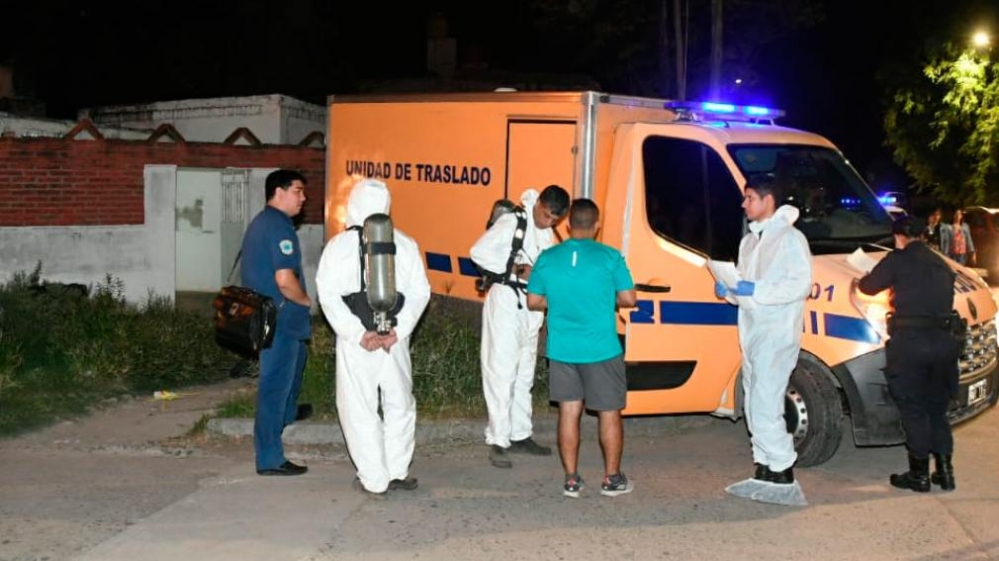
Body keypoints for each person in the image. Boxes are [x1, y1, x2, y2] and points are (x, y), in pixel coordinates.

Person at [315, 179, 431, 495]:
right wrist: (398, 330)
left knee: (359, 407)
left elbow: (328, 296)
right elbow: (421, 292)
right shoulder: (405, 243)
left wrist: (358, 334)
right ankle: (397, 471)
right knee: (400, 404)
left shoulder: (338, 246)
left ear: (353, 205)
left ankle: (374, 478)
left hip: (357, 343)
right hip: (394, 340)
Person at [526, 198, 637, 498]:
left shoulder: (548, 258)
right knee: (609, 412)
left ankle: (572, 480)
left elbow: (533, 301)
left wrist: (560, 301)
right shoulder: (611, 257)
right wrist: (604, 299)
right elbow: (629, 299)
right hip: (602, 349)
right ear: (597, 225)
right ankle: (612, 479)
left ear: (568, 225)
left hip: (562, 349)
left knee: (568, 411)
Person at [715, 178, 812, 506]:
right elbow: (745, 288)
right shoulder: (749, 242)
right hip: (753, 333)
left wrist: (757, 290)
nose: (744, 204)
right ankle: (764, 467)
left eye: (750, 198)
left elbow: (799, 285)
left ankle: (782, 469)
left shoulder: (790, 239)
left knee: (766, 402)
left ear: (768, 200)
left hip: (777, 333)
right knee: (753, 402)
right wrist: (729, 291)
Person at [470, 184, 570, 468]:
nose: (548, 222)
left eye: (554, 219)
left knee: (525, 373)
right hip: (506, 302)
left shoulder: (548, 234)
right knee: (501, 371)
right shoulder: (512, 222)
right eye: (546, 215)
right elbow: (478, 252)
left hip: (531, 308)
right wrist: (514, 268)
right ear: (538, 203)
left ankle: (520, 434)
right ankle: (498, 439)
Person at [858, 217, 959, 493]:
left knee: (914, 409)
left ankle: (919, 476)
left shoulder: (898, 259)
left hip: (912, 344)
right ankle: (945, 473)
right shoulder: (942, 263)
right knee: (937, 409)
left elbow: (868, 287)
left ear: (898, 237)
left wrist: (862, 277)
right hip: (944, 343)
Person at [241, 169, 313, 476]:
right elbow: (285, 280)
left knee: (296, 366)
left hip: (275, 318)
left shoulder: (263, 222)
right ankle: (270, 458)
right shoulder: (279, 227)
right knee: (274, 386)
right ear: (279, 192)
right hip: (280, 320)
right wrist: (306, 301)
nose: (303, 198)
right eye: (298, 191)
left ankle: (287, 413)